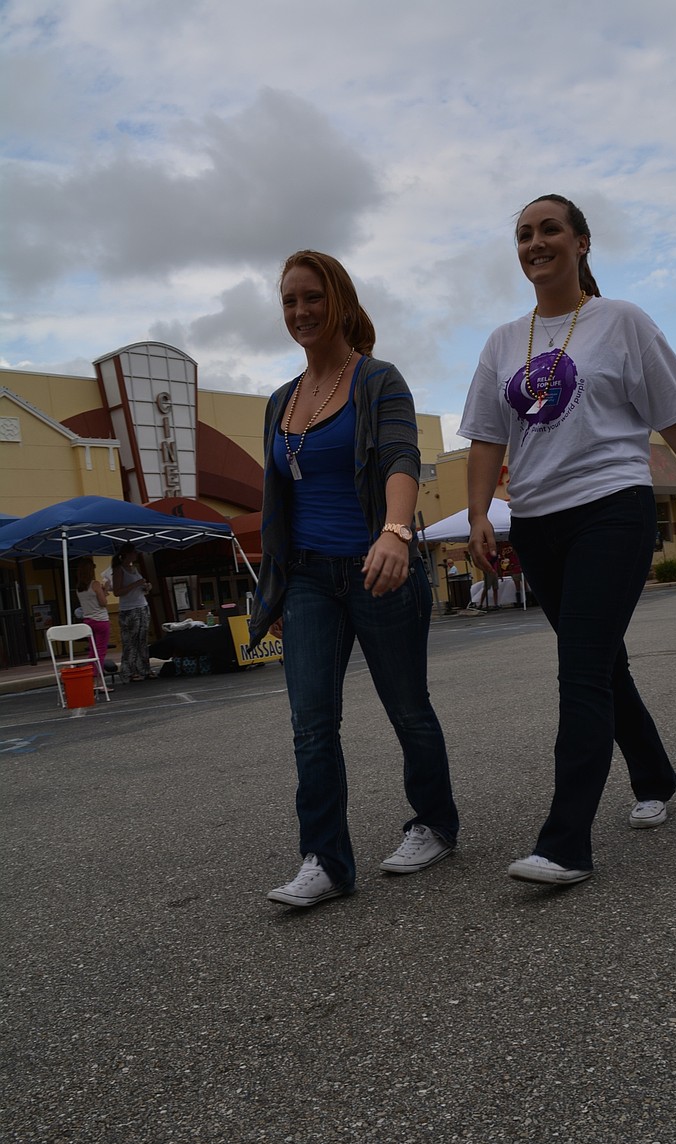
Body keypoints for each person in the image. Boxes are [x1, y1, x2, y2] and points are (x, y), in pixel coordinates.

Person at [459, 193, 676, 889]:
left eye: (549, 229)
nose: (534, 243)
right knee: (601, 662)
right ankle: (655, 775)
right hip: (539, 522)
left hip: (613, 508)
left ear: (582, 242)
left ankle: (565, 843)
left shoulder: (621, 321)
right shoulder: (502, 341)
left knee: (580, 667)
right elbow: (487, 439)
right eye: (523, 234)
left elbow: (675, 420)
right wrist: (475, 517)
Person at [249, 250, 459, 908]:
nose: (300, 312)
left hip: (378, 571)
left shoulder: (378, 381)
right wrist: (276, 589)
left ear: (339, 300)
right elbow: (279, 503)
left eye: (311, 297)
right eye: (289, 301)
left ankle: (434, 823)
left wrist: (395, 533)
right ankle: (326, 859)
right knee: (310, 721)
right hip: (309, 578)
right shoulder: (280, 402)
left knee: (408, 710)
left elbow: (400, 456)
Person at [111, 545, 153, 682]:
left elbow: (140, 588)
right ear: (127, 554)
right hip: (129, 609)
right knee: (130, 641)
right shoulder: (119, 570)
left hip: (142, 605)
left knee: (142, 639)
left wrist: (146, 587)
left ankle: (144, 668)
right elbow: (117, 592)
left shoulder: (134, 569)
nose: (136, 554)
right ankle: (129, 671)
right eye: (134, 552)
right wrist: (136, 584)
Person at [75, 556, 111, 668]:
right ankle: (97, 676)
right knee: (100, 650)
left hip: (88, 621)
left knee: (92, 650)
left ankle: (91, 672)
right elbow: (103, 603)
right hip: (100, 620)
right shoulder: (95, 584)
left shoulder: (79, 587)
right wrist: (104, 592)